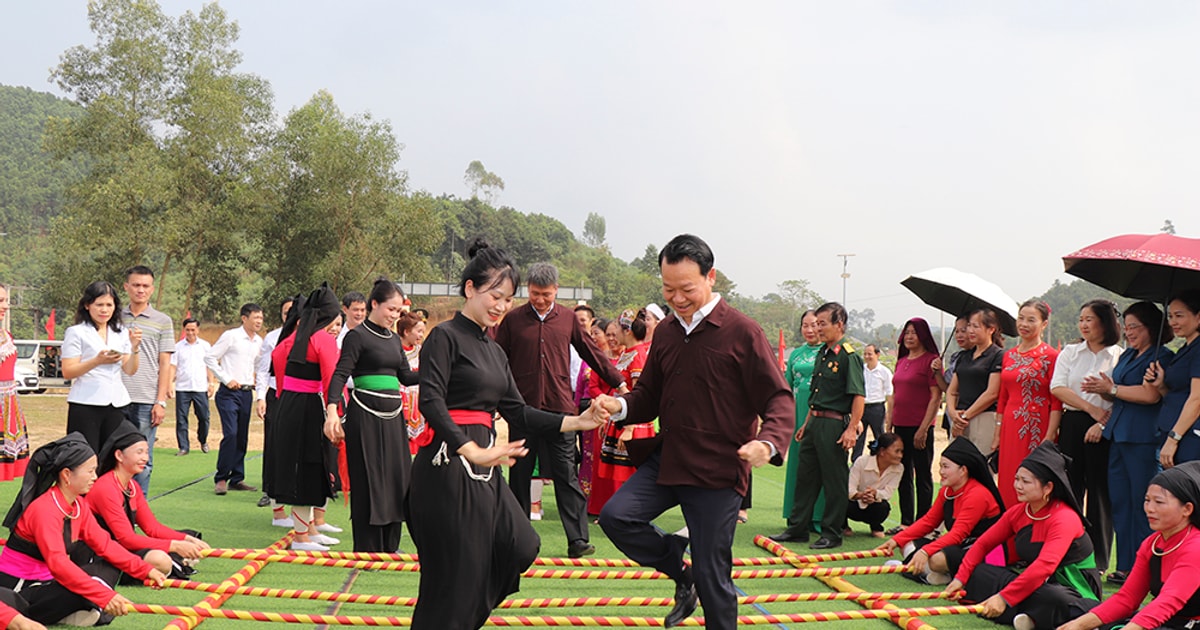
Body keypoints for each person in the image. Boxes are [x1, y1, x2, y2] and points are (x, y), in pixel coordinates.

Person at [596, 234, 794, 630]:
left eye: (686, 288)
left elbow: (778, 398)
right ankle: (679, 569)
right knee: (617, 517)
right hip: (669, 459)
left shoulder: (742, 332)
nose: (677, 298)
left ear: (711, 277)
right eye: (668, 289)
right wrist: (620, 406)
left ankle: (698, 580)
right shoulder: (666, 331)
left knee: (713, 574)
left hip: (718, 471)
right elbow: (649, 395)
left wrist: (768, 442)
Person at [405, 239, 606, 630]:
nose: (501, 306)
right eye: (494, 296)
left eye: (508, 299)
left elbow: (518, 411)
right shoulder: (443, 337)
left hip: (485, 466)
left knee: (521, 544)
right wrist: (469, 449)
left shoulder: (495, 351)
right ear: (470, 289)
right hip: (447, 465)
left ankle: (464, 616)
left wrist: (576, 422)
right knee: (452, 575)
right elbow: (431, 401)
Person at [494, 262, 624, 559]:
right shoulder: (513, 321)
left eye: (546, 294)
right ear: (528, 289)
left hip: (561, 414)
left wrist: (620, 383)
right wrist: (495, 399)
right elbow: (498, 360)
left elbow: (593, 354)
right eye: (535, 293)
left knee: (567, 476)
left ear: (556, 290)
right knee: (520, 476)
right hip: (523, 412)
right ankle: (517, 538)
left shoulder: (567, 320)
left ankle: (577, 540)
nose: (540, 299)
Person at [0, 434, 166, 627]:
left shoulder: (78, 505)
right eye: (90, 471)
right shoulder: (44, 509)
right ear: (67, 475)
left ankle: (74, 609)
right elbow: (58, 563)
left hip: (46, 583)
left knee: (103, 572)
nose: (95, 477)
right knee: (86, 587)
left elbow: (105, 545)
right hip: (18, 586)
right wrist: (103, 594)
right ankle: (63, 611)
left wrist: (144, 569)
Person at [942, 442, 1100, 630]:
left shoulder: (1064, 518)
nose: (1017, 486)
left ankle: (1022, 613)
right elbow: (983, 544)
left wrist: (1003, 597)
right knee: (980, 572)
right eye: (1017, 479)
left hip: (1071, 588)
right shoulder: (1018, 512)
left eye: (1025, 482)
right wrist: (960, 578)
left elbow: (1044, 567)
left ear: (1048, 488)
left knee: (1053, 597)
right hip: (1035, 583)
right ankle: (1029, 617)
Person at [325, 279, 419, 552]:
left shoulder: (393, 339)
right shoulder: (358, 336)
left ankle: (390, 546)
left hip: (393, 417)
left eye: (398, 311)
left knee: (396, 477)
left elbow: (405, 376)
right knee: (369, 477)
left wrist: (439, 372)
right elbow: (340, 374)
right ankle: (367, 548)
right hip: (364, 416)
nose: (394, 316)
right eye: (391, 309)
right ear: (374, 304)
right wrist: (332, 410)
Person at [1081, 301, 1170, 584]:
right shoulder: (1129, 355)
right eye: (1127, 326)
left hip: (1143, 438)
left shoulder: (1161, 357)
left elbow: (1150, 396)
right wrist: (1105, 390)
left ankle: (1146, 568)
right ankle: (1126, 565)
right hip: (1118, 435)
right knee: (1120, 502)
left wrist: (1113, 389)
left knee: (1143, 504)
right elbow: (1117, 392)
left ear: (1152, 328)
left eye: (1136, 327)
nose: (1129, 332)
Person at [1058, 461, 1200, 630]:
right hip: (1167, 621)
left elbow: (1168, 601)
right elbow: (1127, 598)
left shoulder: (1195, 546)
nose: (1149, 509)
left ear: (1187, 509)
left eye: (1159, 502)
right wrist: (1078, 625)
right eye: (1147, 500)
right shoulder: (1152, 543)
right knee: (1080, 609)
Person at [771, 302, 864, 551]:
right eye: (816, 323)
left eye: (823, 323)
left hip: (834, 425)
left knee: (833, 480)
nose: (818, 328)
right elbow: (817, 393)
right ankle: (798, 528)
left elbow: (858, 396)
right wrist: (806, 424)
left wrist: (852, 428)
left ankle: (832, 533)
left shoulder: (849, 356)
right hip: (814, 423)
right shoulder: (823, 353)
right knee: (806, 477)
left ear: (839, 325)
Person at [1051, 299, 1122, 574]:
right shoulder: (1071, 352)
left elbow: (1122, 395)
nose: (1083, 324)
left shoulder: (1118, 355)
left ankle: (1099, 560)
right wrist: (1090, 408)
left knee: (1100, 493)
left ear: (1105, 322)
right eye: (1081, 319)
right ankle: (1069, 552)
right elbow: (1058, 387)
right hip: (1074, 422)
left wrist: (1102, 422)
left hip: (1105, 425)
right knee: (1070, 489)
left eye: (1089, 319)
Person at [269, 286, 342, 551]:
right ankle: (300, 537)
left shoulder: (293, 337)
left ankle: (308, 529)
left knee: (302, 466)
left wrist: (283, 394)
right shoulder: (322, 339)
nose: (336, 326)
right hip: (310, 407)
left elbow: (277, 361)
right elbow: (331, 377)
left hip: (289, 404)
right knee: (308, 467)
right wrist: (334, 410)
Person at [88, 423, 207, 577]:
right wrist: (175, 546)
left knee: (188, 538)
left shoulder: (132, 486)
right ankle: (173, 563)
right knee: (160, 559)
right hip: (99, 552)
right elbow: (127, 539)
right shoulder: (106, 487)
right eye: (139, 452)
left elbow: (152, 528)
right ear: (119, 455)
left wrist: (186, 539)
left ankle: (175, 561)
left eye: (146, 452)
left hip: (119, 546)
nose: (145, 457)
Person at [880, 438, 1004, 586]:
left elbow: (958, 535)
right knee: (906, 543)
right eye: (940, 466)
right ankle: (932, 573)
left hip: (988, 552)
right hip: (961, 545)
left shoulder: (977, 494)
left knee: (936, 560)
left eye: (945, 467)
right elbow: (929, 521)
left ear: (963, 470)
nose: (941, 472)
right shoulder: (947, 490)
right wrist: (896, 540)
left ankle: (935, 573)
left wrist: (926, 551)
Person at [994, 300, 1062, 509]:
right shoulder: (1009, 355)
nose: (1024, 324)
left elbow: (1056, 401)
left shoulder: (1051, 356)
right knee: (1008, 481)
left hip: (1036, 426)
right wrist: (997, 432)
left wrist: (1049, 436)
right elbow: (1002, 397)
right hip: (1009, 428)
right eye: (1021, 318)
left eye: (1031, 320)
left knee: (1033, 480)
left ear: (1044, 324)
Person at [61, 281, 141, 453]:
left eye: (108, 305)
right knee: (85, 457)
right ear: (87, 305)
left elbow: (130, 369)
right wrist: (96, 361)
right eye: (99, 305)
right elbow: (68, 371)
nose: (104, 310)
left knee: (114, 456)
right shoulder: (76, 332)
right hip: (86, 403)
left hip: (117, 403)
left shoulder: (121, 332)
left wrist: (134, 348)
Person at [590, 309, 652, 517]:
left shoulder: (639, 355)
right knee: (617, 470)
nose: (614, 333)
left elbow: (638, 395)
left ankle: (629, 513)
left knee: (628, 472)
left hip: (631, 423)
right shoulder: (628, 353)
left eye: (617, 328)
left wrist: (629, 428)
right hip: (619, 418)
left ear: (627, 330)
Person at [119, 266, 174, 494]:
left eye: (145, 286)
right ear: (126, 287)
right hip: (116, 398)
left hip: (146, 399)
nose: (140, 290)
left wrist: (160, 401)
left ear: (152, 289)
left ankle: (136, 512)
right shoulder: (115, 317)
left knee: (142, 461)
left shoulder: (162, 321)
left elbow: (165, 364)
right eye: (136, 285)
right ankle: (112, 513)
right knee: (113, 457)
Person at [205, 303, 264, 496]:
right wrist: (225, 378)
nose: (259, 321)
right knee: (230, 434)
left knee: (241, 436)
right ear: (244, 318)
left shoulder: (259, 342)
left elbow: (258, 365)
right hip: (229, 393)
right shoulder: (231, 336)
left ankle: (237, 478)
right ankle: (221, 478)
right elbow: (210, 357)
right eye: (255, 317)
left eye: (261, 318)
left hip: (247, 393)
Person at [888, 318, 941, 528]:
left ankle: (923, 524)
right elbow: (894, 394)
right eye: (907, 332)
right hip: (899, 425)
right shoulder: (901, 361)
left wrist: (924, 428)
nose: (909, 337)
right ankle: (906, 522)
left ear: (923, 336)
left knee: (923, 475)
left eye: (914, 333)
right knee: (902, 473)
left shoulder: (932, 361)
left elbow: (935, 397)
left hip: (920, 426)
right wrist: (888, 423)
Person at [781, 311, 823, 529]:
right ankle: (795, 515)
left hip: (821, 413)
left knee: (818, 465)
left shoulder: (829, 353)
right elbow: (785, 386)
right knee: (797, 465)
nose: (809, 330)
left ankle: (817, 517)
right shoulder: (796, 354)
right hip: (797, 414)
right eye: (805, 326)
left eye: (814, 325)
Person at [1150, 290, 1200, 468]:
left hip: (1189, 435)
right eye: (1170, 316)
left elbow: (1197, 399)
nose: (1172, 322)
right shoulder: (1186, 348)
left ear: (1198, 317)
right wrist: (1161, 384)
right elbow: (1179, 393)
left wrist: (1174, 438)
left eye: (1179, 316)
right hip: (1173, 428)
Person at [256, 297, 297, 513]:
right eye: (285, 312)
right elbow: (263, 370)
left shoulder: (308, 337)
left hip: (299, 396)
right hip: (276, 394)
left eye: (293, 311)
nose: (289, 316)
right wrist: (261, 397)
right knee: (273, 443)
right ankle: (270, 490)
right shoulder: (272, 338)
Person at [947, 308, 1004, 455]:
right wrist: (953, 414)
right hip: (960, 418)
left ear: (991, 329)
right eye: (969, 326)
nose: (970, 331)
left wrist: (965, 417)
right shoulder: (964, 357)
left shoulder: (998, 355)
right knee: (956, 465)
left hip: (984, 418)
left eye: (976, 326)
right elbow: (952, 391)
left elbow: (992, 393)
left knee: (981, 464)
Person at [169, 318, 215, 456]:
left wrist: (211, 383)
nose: (190, 333)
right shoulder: (177, 347)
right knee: (181, 418)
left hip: (200, 387)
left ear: (198, 330)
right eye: (187, 330)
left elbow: (210, 366)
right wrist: (170, 384)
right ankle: (183, 447)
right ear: (184, 330)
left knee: (204, 417)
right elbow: (173, 366)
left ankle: (203, 440)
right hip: (183, 387)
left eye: (193, 330)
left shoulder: (205, 346)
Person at [845, 432, 903, 537]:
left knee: (884, 507)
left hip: (874, 504)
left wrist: (875, 494)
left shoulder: (899, 468)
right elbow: (849, 489)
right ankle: (843, 525)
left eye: (901, 452)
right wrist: (861, 495)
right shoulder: (861, 462)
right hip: (853, 504)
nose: (900, 455)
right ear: (882, 451)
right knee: (840, 501)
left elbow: (888, 493)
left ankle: (875, 525)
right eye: (897, 451)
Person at [0, 284, 29, 481]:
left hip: (8, 408)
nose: (6, 306)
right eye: (1, 301)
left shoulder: (6, 335)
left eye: (6, 301)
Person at [852, 345, 893, 462]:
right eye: (865, 354)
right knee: (858, 436)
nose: (867, 356)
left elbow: (890, 393)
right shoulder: (860, 370)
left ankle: (881, 460)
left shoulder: (885, 372)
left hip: (877, 408)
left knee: (879, 436)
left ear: (877, 355)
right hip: (861, 407)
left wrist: (889, 413)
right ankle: (856, 462)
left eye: (870, 354)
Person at [399, 313, 428, 454]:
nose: (421, 335)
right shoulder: (395, 350)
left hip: (418, 401)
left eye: (423, 332)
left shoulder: (422, 351)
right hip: (401, 399)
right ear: (406, 331)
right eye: (418, 331)